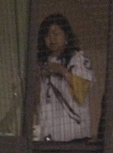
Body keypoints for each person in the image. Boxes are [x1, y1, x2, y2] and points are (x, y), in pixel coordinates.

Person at [36, 12, 93, 140]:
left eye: (56, 34)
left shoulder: (78, 58)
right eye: (47, 35)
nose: (51, 38)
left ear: (66, 35)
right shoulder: (42, 63)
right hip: (49, 137)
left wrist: (62, 71)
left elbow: (82, 91)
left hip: (75, 137)